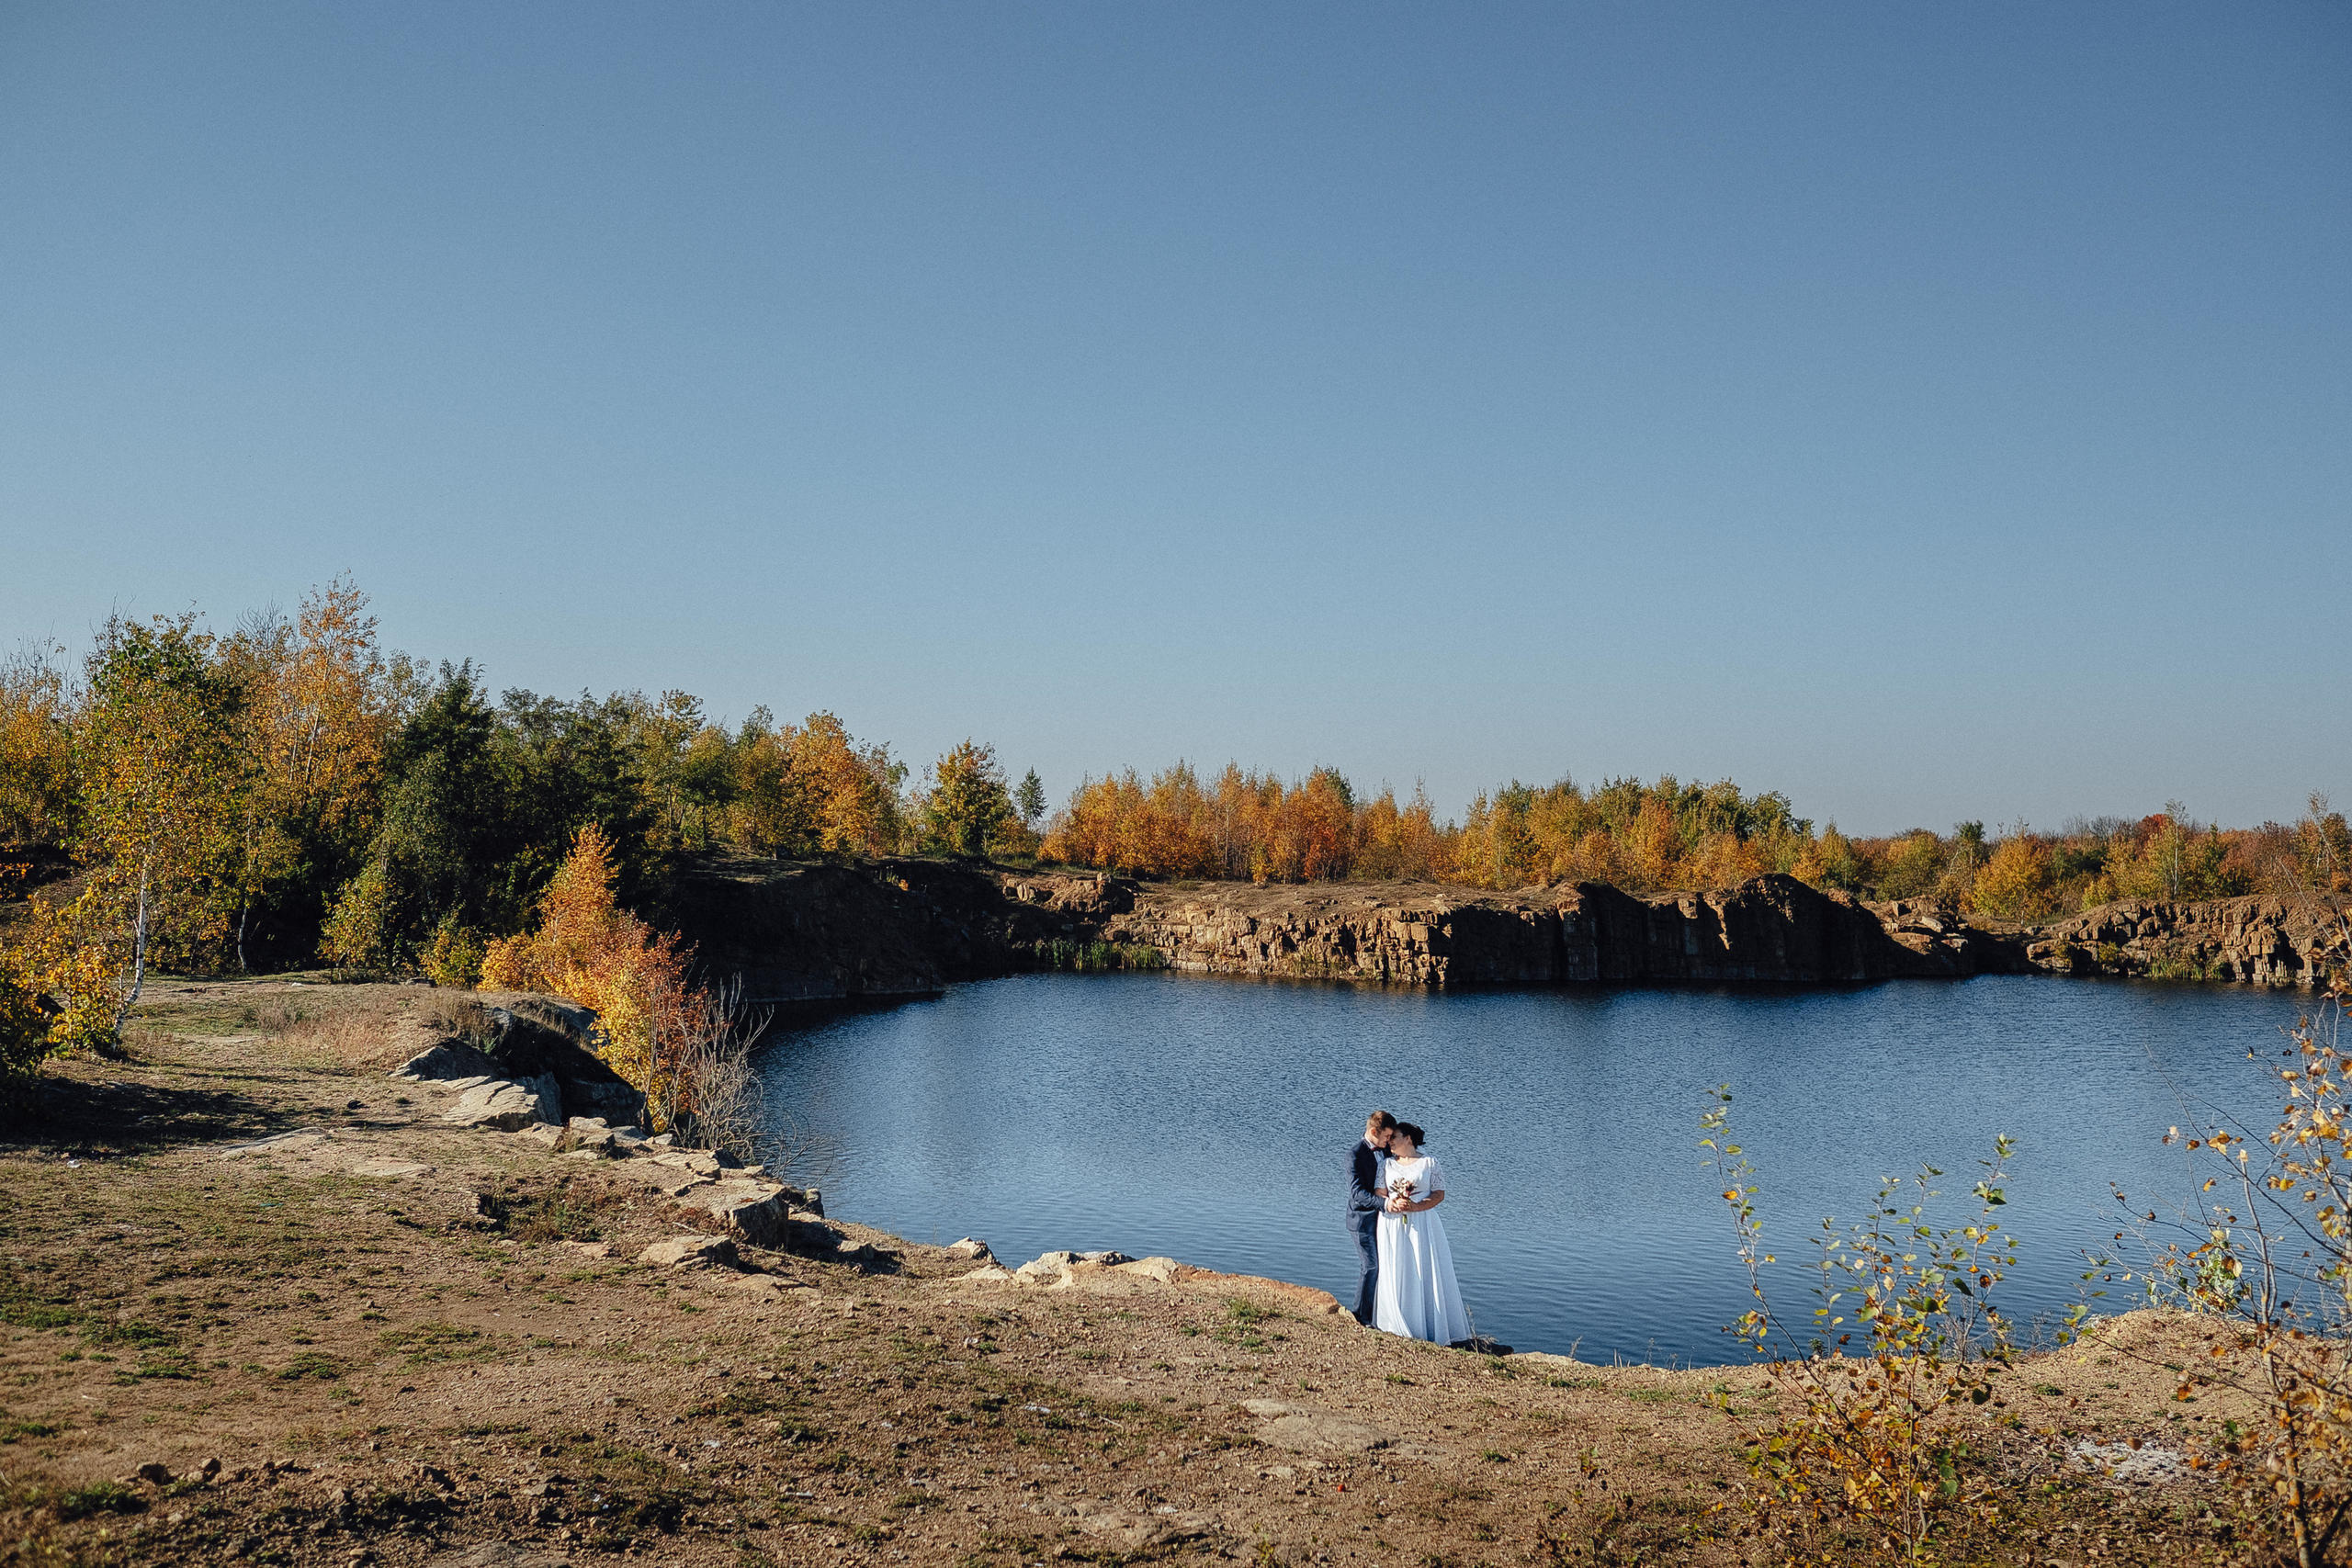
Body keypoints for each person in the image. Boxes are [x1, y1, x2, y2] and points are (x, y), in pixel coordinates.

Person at [1372, 1120, 1471, 1345]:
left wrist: (1416, 1206)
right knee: (1396, 1266)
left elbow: (1439, 1194)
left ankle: (1428, 1326)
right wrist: (1393, 1202)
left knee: (1423, 1267)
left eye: (1394, 1138)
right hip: (1392, 1223)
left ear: (1408, 1139)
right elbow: (1380, 1192)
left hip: (1422, 1224)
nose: (1389, 1143)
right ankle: (1395, 1322)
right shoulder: (1386, 1165)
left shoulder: (1429, 1163)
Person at [1346, 1111, 1397, 1325]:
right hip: (1362, 1220)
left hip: (1385, 1223)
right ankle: (1360, 1317)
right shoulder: (1355, 1154)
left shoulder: (1386, 1151)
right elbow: (1357, 1193)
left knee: (1386, 1267)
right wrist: (1385, 1203)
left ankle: (1380, 1314)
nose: (1389, 1141)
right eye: (1387, 1136)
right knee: (1370, 1266)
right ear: (1374, 1131)